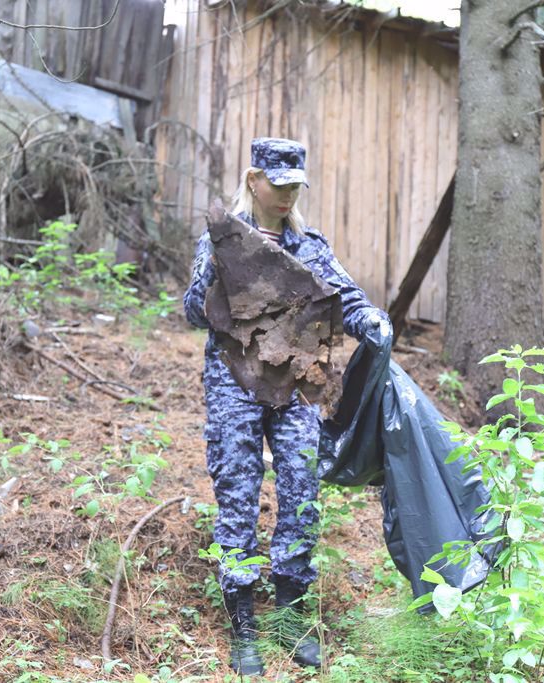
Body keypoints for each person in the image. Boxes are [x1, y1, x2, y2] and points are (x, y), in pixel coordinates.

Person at [183, 137, 389, 674]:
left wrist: (371, 321)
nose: (288, 196)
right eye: (279, 185)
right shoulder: (224, 237)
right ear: (254, 180)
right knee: (238, 494)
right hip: (235, 384)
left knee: (301, 489)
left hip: (297, 384)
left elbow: (345, 295)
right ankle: (245, 624)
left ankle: (291, 614)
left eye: (296, 186)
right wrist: (217, 270)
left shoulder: (309, 245)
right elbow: (191, 312)